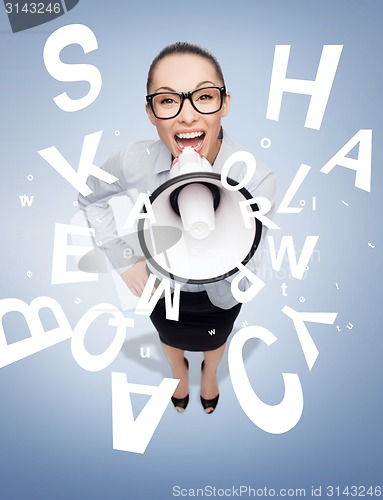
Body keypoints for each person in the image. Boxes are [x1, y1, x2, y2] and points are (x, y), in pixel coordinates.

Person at [78, 41, 275, 414]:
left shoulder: (258, 179)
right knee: (168, 336)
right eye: (168, 101)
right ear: (151, 112)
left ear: (225, 103)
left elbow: (252, 260)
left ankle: (210, 373)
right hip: (159, 287)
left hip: (222, 295)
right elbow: (90, 198)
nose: (187, 117)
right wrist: (124, 259)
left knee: (217, 339)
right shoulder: (132, 161)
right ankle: (180, 375)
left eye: (203, 97)